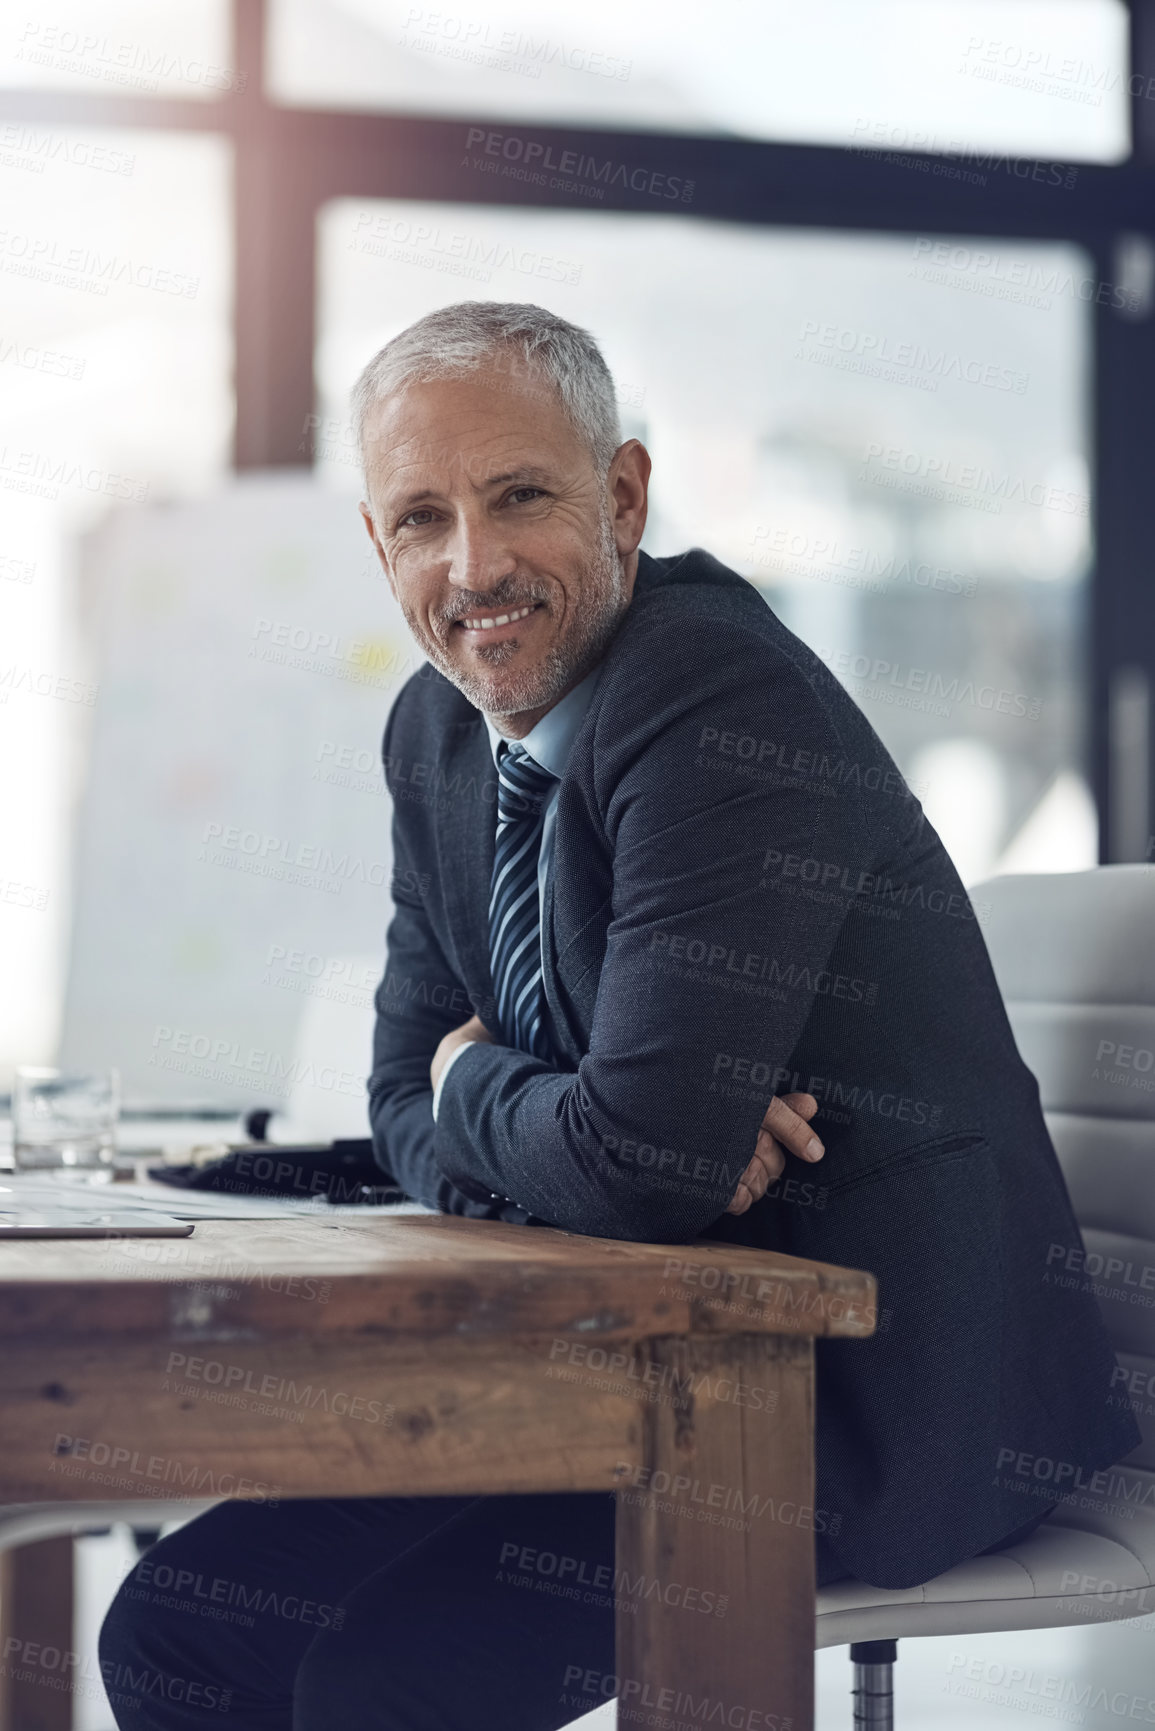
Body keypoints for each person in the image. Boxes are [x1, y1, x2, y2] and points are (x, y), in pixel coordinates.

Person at [100, 302, 1138, 1728]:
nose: (473, 566)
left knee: (374, 1681)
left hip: (859, 1402)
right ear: (377, 546)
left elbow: (628, 1160)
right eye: (421, 518)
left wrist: (510, 1088)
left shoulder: (713, 696)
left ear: (625, 496)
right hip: (601, 1366)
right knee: (181, 1633)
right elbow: (406, 1095)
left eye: (519, 495)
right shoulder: (435, 728)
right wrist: (555, 1102)